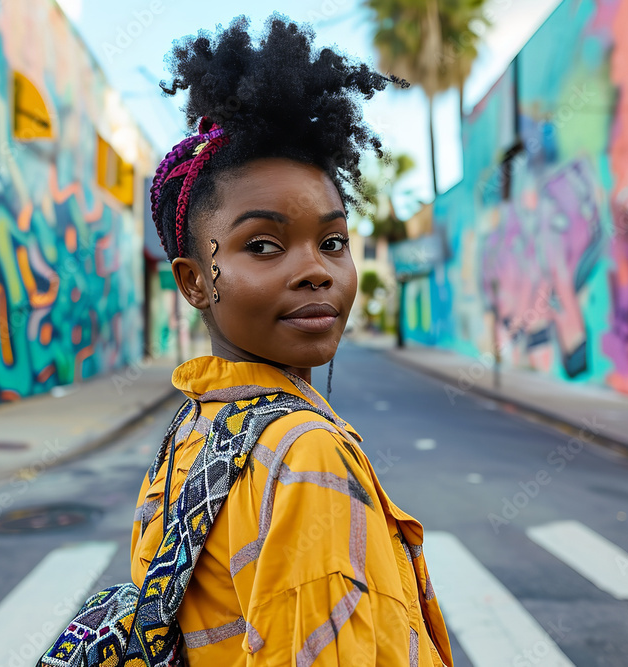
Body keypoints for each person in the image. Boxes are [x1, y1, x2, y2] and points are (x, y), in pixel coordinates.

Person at [130, 13, 452, 666]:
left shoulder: (191, 428)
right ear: (195, 282)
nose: (316, 269)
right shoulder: (304, 455)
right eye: (264, 244)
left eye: (333, 241)